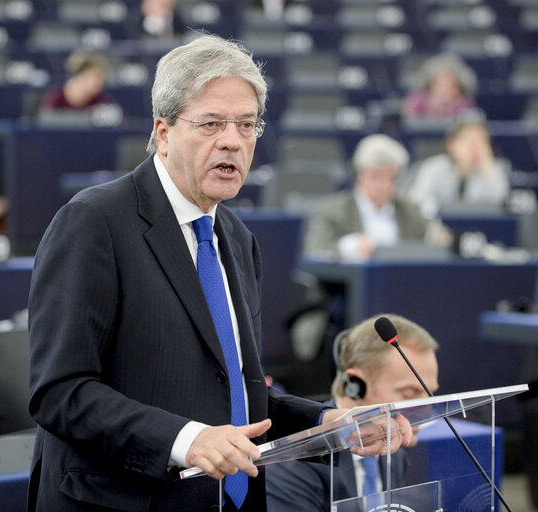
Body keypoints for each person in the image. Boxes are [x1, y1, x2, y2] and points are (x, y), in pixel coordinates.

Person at [27, 35, 412, 512]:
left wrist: (328, 420)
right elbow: (60, 392)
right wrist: (186, 439)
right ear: (163, 132)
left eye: (246, 124)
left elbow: (234, 393)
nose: (233, 139)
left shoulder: (234, 237)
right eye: (211, 123)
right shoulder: (95, 222)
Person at [267, 314, 440, 511]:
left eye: (429, 394)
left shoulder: (394, 455)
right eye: (409, 394)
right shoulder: (294, 460)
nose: (427, 409)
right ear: (355, 385)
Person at [304, 134, 446, 261]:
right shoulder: (333, 210)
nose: (383, 185)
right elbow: (314, 252)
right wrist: (348, 247)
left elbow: (432, 243)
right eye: (375, 177)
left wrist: (439, 241)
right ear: (360, 176)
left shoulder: (411, 211)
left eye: (391, 178)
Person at [405, 120, 510, 219]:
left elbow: (502, 208)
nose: (477, 148)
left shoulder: (493, 170)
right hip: (438, 229)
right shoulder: (433, 168)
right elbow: (416, 204)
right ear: (451, 145)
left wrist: (489, 173)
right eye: (471, 142)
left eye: (483, 142)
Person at [400, 53, 477, 120]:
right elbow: (408, 116)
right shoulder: (418, 99)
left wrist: (446, 109)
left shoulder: (465, 105)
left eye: (450, 86)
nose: (444, 90)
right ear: (430, 85)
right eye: (440, 84)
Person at [38, 50, 113, 112]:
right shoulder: (57, 97)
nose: (99, 82)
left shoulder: (100, 101)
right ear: (79, 75)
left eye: (101, 78)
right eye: (95, 77)